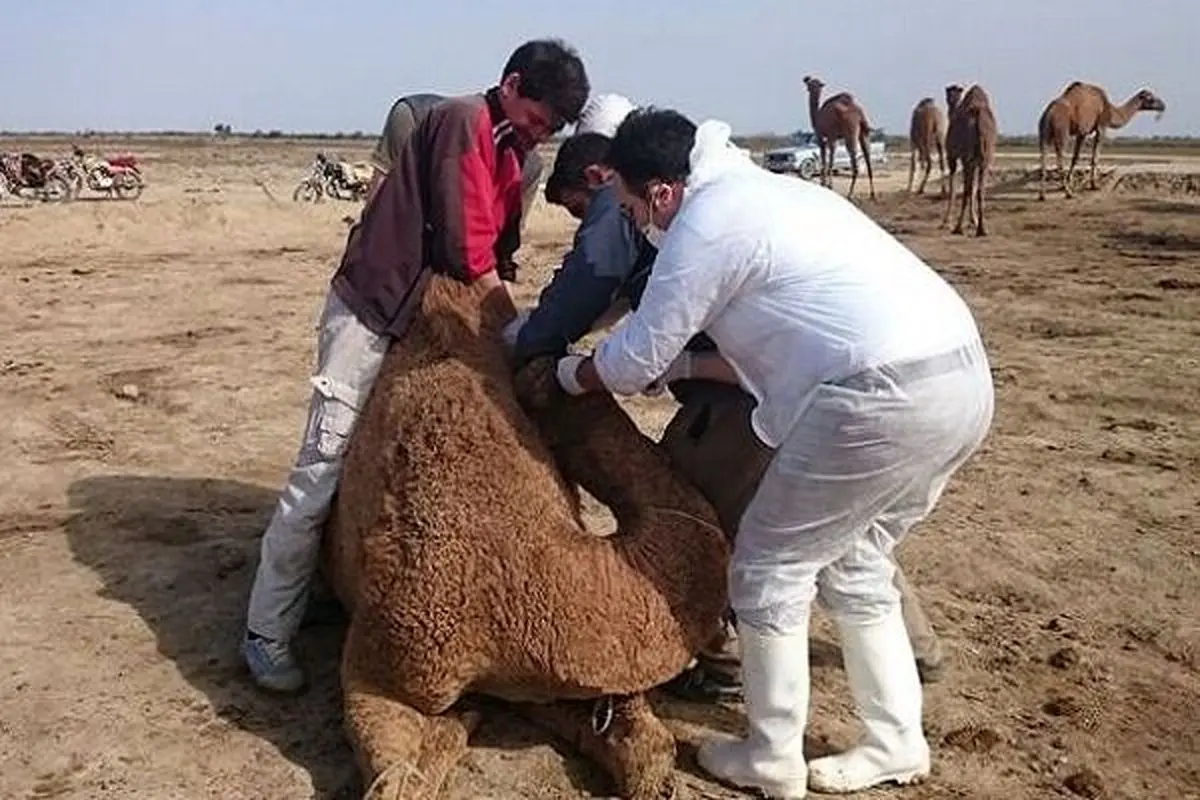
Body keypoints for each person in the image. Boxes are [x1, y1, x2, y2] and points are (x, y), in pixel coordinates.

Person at [552, 107, 994, 796]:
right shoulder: (766, 192)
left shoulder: (703, 224)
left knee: (767, 570)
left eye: (634, 205)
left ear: (661, 191)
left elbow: (634, 361)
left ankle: (772, 754)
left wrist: (566, 372)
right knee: (856, 560)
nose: (637, 219)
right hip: (959, 377)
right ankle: (896, 739)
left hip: (875, 393)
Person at [241, 38, 590, 694]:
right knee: (322, 466)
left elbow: (499, 247)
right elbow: (466, 246)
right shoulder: (462, 121)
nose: (539, 133)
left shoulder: (520, 156)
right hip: (374, 310)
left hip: (435, 316)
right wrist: (515, 328)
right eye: (538, 117)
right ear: (510, 83)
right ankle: (267, 628)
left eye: (549, 128)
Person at [366, 91, 546, 282]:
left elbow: (504, 246)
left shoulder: (529, 166)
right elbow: (377, 209)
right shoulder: (415, 118)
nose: (541, 136)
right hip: (398, 262)